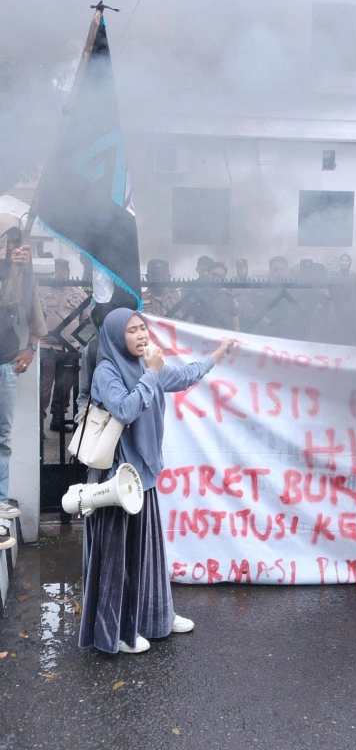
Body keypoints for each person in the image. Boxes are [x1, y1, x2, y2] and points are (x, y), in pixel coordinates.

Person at [78, 308, 234, 654]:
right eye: (132, 331)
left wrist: (216, 356)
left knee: (146, 554)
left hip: (141, 475)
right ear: (117, 336)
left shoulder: (144, 366)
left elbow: (182, 376)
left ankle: (154, 617)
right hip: (115, 478)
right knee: (118, 558)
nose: (142, 335)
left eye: (143, 328)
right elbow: (125, 409)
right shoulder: (107, 370)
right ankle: (116, 632)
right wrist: (151, 373)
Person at [0, 213, 47, 526]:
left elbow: (33, 310)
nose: (13, 245)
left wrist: (31, 348)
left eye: (18, 239)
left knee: (2, 436)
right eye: (8, 238)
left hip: (5, 364)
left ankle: (0, 501)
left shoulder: (22, 271)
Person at [39, 258, 88, 432]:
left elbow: (83, 319)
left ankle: (58, 419)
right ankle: (39, 423)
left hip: (70, 347)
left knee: (65, 387)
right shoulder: (41, 291)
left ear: (68, 272)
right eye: (57, 270)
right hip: (46, 346)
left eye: (63, 271)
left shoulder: (79, 294)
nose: (60, 274)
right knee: (44, 387)